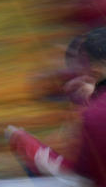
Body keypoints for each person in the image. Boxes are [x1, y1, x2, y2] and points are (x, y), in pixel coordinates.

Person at [8, 26, 106, 185]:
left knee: (19, 139)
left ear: (95, 69)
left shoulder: (93, 114)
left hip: (87, 175)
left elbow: (86, 174)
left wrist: (37, 151)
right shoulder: (91, 107)